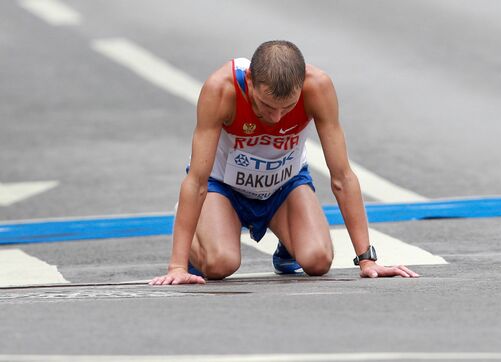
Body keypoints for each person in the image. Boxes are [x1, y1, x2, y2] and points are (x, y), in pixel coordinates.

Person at [150, 40, 419, 285]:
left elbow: (342, 176)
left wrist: (367, 260)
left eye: (288, 108)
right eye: (266, 106)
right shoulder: (221, 89)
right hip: (223, 189)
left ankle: (288, 243)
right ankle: (200, 239)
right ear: (251, 80)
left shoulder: (318, 87)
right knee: (221, 263)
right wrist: (176, 267)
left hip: (284, 186)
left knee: (318, 261)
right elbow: (196, 179)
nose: (276, 118)